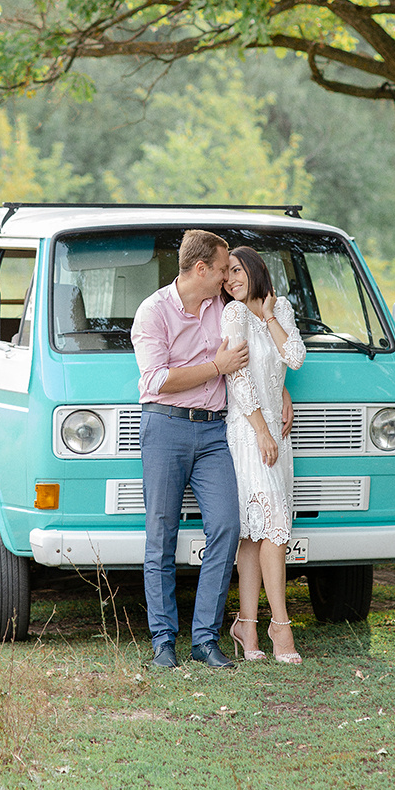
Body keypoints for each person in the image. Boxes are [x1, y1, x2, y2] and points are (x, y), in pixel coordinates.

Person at [131, 230, 250, 671]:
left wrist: (282, 394)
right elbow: (156, 380)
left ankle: (205, 639)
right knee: (161, 535)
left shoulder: (225, 308)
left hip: (214, 432)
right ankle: (163, 641)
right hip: (165, 427)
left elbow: (254, 350)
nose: (226, 277)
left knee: (227, 526)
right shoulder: (153, 311)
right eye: (221, 269)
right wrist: (215, 367)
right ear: (201, 269)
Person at [221, 246, 306, 664]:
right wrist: (260, 431)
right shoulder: (233, 313)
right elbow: (237, 377)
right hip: (248, 429)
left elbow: (295, 358)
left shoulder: (280, 308)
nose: (230, 280)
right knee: (273, 527)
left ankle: (247, 626)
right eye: (225, 275)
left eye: (236, 271)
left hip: (277, 430)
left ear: (255, 269)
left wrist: (270, 315)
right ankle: (281, 626)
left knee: (256, 534)